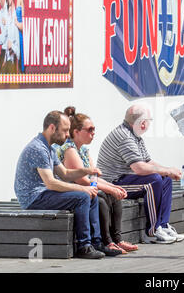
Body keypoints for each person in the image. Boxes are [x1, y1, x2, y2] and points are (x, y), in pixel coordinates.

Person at [14, 111, 119, 259]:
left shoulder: (49, 148)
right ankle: (84, 246)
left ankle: (97, 243)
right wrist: (83, 188)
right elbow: (51, 183)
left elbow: (65, 173)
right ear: (52, 128)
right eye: (64, 130)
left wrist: (88, 170)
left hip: (43, 194)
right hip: (33, 198)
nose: (67, 135)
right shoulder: (38, 148)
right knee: (82, 197)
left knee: (92, 196)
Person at [97, 104, 184, 244]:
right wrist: (166, 170)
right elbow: (139, 168)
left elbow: (147, 162)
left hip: (125, 178)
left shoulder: (134, 135)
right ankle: (152, 232)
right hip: (113, 183)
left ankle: (162, 225)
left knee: (165, 179)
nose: (150, 123)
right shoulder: (125, 136)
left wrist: (168, 171)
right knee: (154, 180)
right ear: (142, 123)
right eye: (149, 120)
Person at [55, 106, 138, 254]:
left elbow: (94, 177)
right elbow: (83, 180)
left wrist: (114, 187)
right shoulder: (69, 149)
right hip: (70, 192)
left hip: (84, 189)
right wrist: (110, 188)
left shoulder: (83, 150)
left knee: (112, 196)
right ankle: (106, 242)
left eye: (94, 129)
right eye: (90, 129)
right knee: (100, 199)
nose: (93, 133)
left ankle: (116, 240)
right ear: (76, 132)